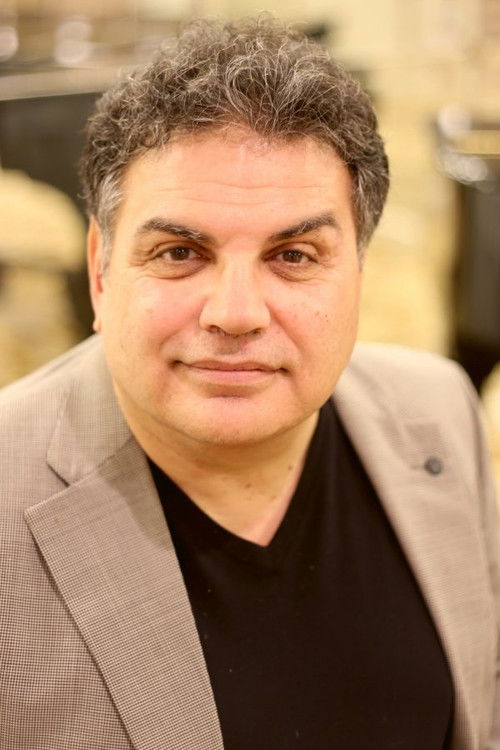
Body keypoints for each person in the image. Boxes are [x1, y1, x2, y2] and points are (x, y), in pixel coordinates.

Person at [1, 17, 498, 750]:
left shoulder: (438, 409)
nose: (235, 314)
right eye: (179, 252)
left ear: (359, 274)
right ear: (101, 272)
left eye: (294, 255)